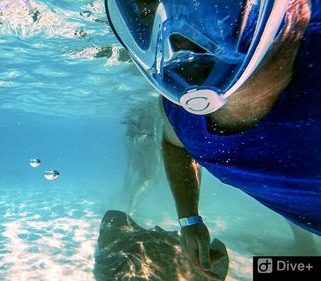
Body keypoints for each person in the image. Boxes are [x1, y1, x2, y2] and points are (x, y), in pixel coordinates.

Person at [106, 0, 320, 278]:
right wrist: (189, 220)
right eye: (146, 9)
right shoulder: (179, 109)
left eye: (214, 4)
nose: (178, 40)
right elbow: (175, 145)